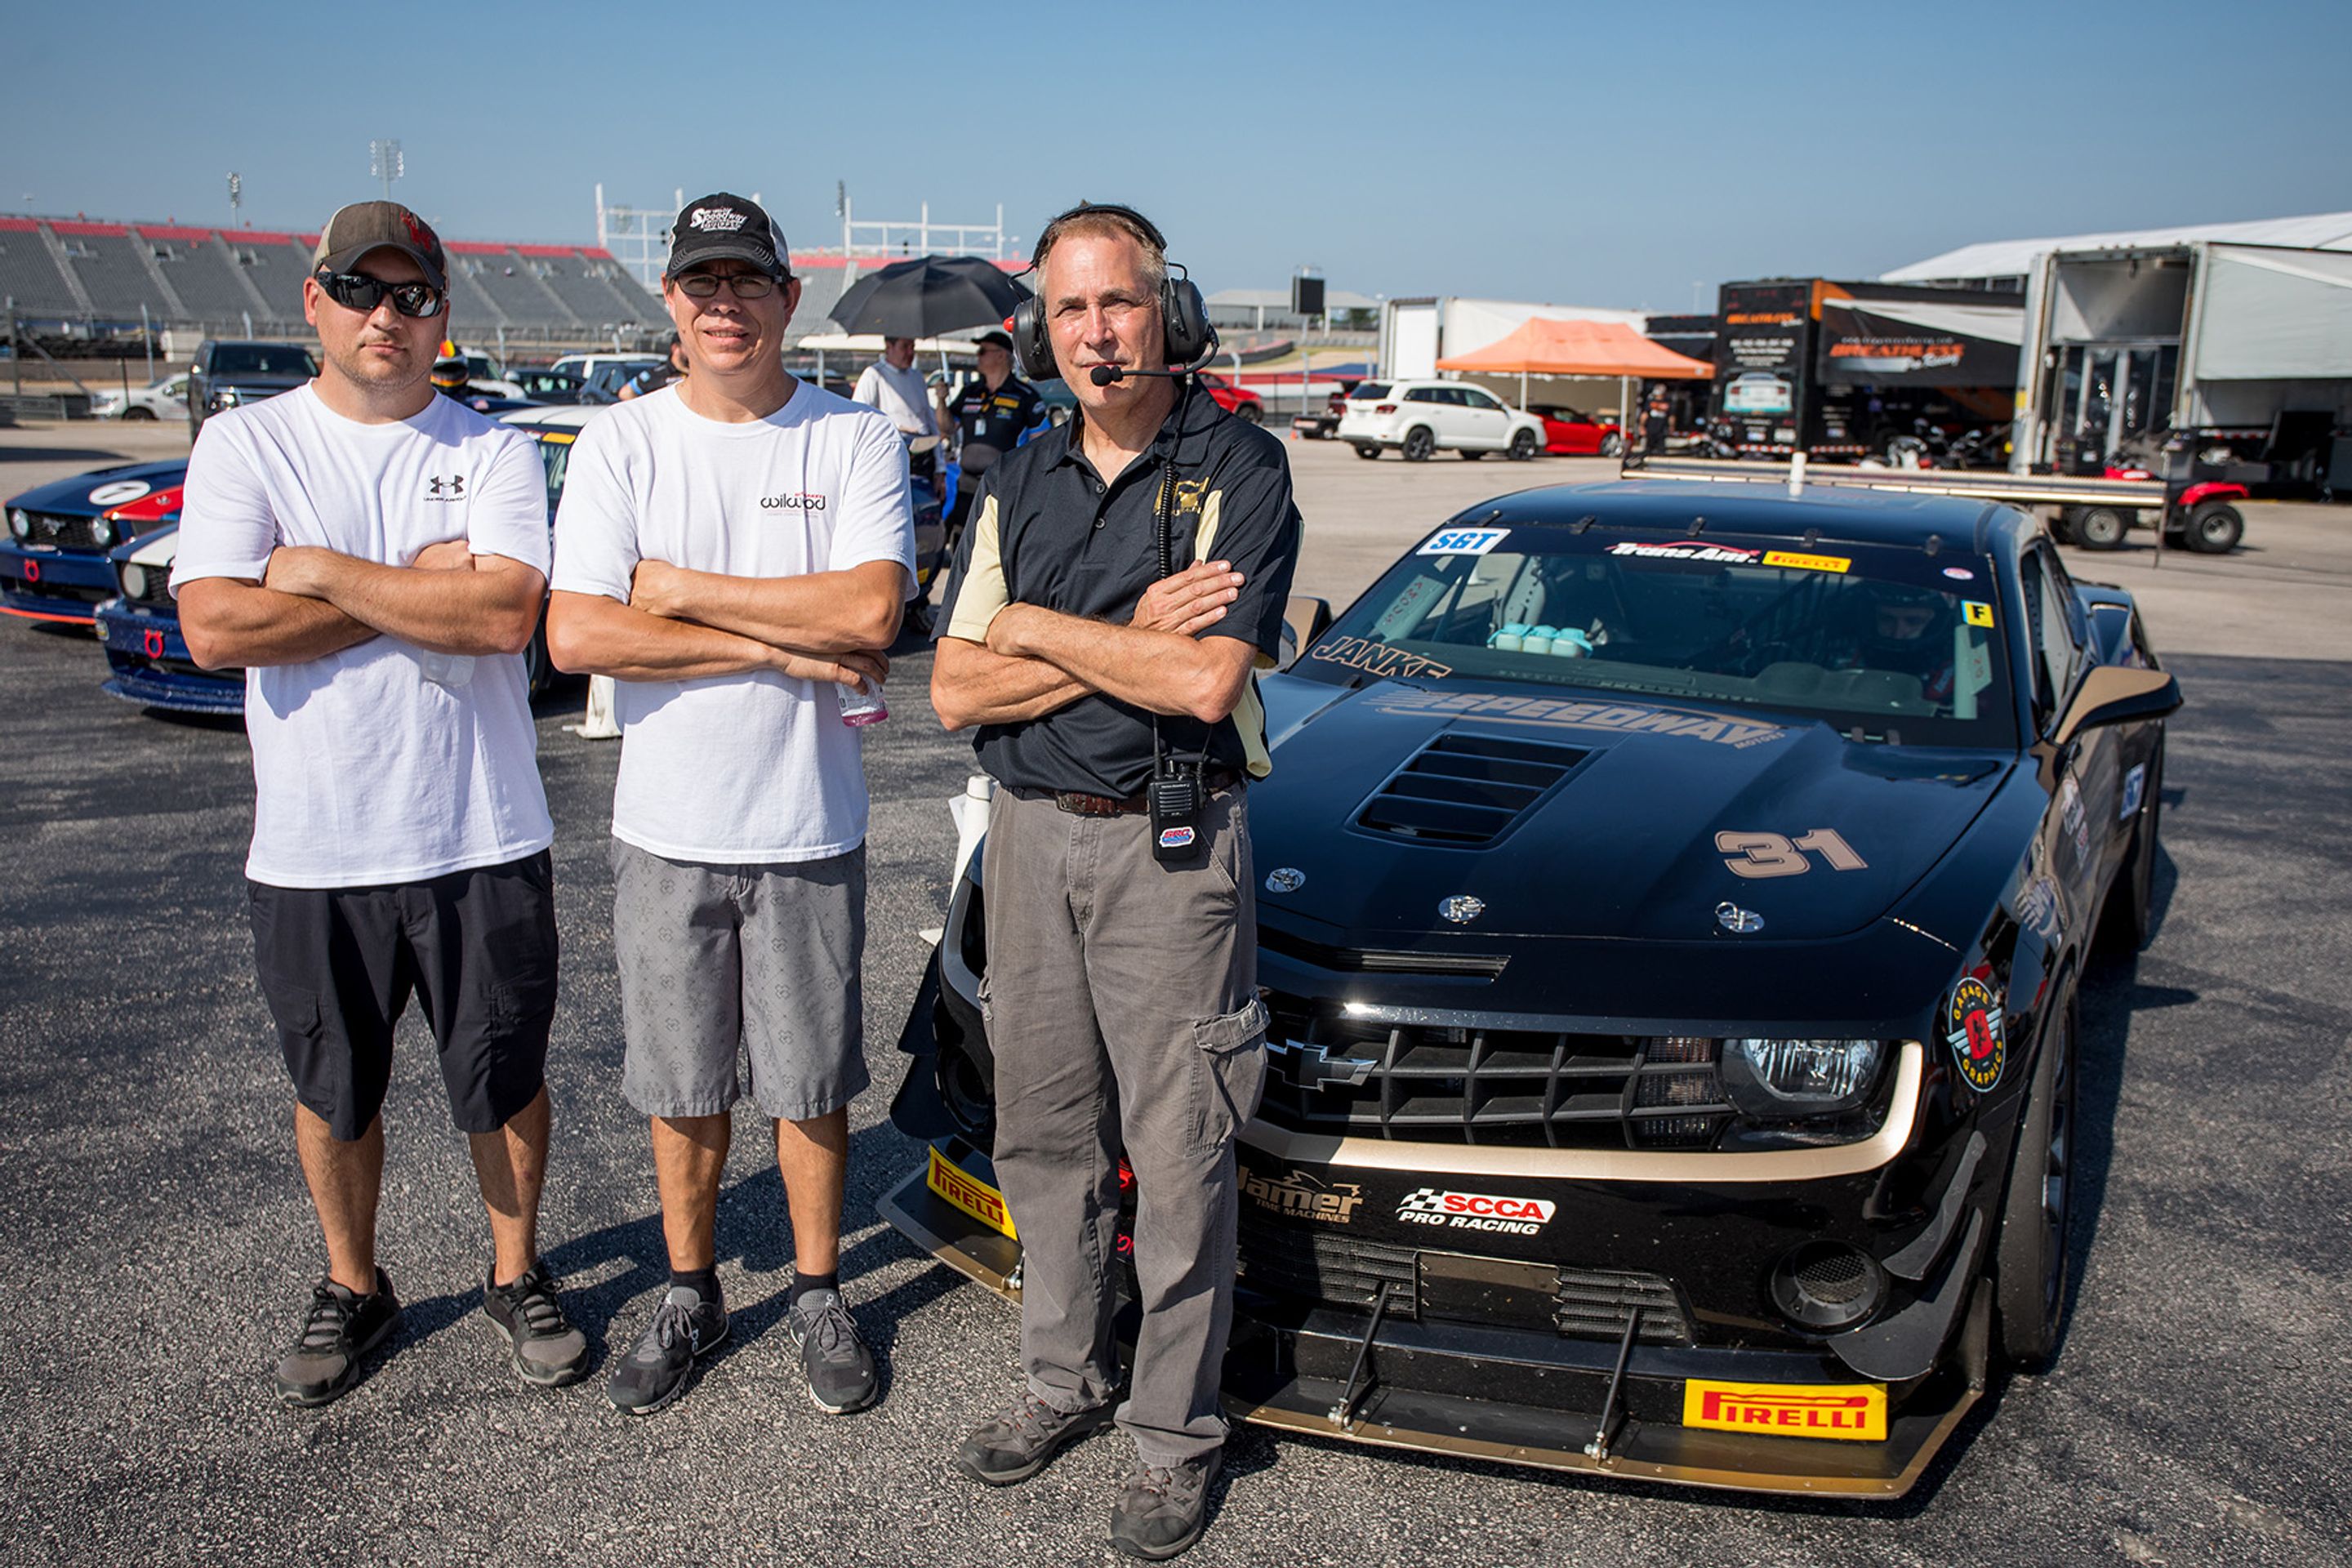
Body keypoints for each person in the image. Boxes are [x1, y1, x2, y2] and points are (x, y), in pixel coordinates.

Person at [929, 202, 1301, 1561]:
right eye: (1071, 309)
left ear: (1167, 312)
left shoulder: (1240, 469)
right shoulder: (1020, 475)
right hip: (1029, 834)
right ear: (1044, 328)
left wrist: (1034, 629)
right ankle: (1058, 1380)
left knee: (1182, 1151)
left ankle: (1171, 1438)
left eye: (1121, 303)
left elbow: (1205, 678)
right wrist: (1102, 631)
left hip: (1172, 845)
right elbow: (955, 686)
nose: (1096, 331)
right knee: (1043, 1137)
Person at [172, 200, 584, 1407]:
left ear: (443, 314)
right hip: (313, 845)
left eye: (412, 297)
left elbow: (506, 617)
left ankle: (516, 1273)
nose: (386, 316)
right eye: (362, 290)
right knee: (333, 1087)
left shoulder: (493, 448)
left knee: (502, 1077)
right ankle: (356, 1282)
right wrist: (417, 584)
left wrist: (317, 574)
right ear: (315, 300)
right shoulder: (247, 446)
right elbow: (214, 626)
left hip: (482, 833)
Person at [544, 192, 914, 1419]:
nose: (723, 302)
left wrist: (681, 595)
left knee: (811, 1080)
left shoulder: (850, 437)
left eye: (746, 280)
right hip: (667, 828)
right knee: (683, 1079)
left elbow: (868, 618)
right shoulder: (623, 441)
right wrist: (782, 640)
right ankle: (690, 1289)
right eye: (700, 281)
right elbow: (581, 630)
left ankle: (817, 1291)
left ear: (786, 296)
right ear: (670, 301)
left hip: (808, 821)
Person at [938, 328, 1045, 542]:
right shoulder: (970, 391)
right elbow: (947, 428)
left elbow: (1041, 443)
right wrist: (941, 400)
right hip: (966, 483)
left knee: (997, 544)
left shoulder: (1025, 396)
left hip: (1004, 484)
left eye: (982, 351)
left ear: (1001, 355)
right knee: (961, 542)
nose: (978, 356)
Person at [850, 334, 942, 484]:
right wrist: (898, 428)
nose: (910, 353)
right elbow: (860, 421)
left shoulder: (917, 377)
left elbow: (930, 422)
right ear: (889, 347)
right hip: (893, 458)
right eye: (904, 347)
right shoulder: (874, 375)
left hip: (924, 460)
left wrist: (940, 467)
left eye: (913, 347)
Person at [617, 334, 688, 401]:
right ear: (675, 348)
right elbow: (625, 393)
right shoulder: (657, 373)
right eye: (687, 346)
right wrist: (647, 410)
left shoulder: (696, 372)